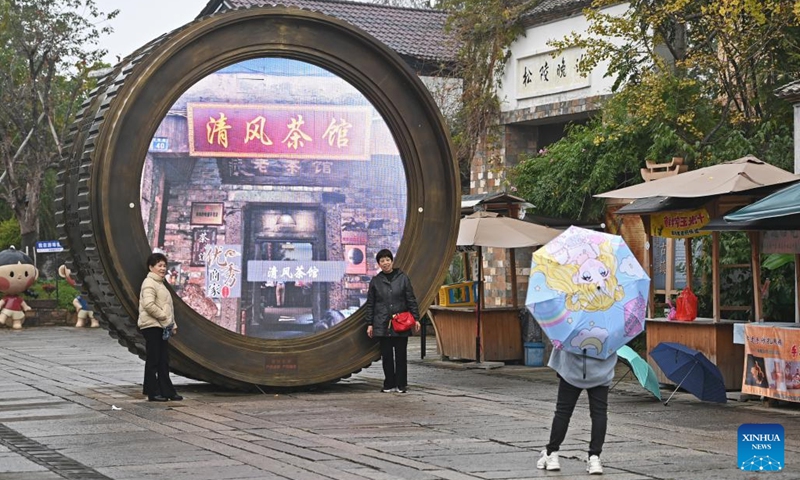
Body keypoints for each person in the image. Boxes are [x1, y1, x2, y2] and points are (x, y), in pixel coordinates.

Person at [537, 348, 616, 475]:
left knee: (563, 412)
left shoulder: (571, 327)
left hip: (571, 369)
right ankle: (595, 457)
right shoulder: (611, 328)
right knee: (599, 413)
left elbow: (559, 340)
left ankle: (552, 454)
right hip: (601, 370)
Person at [365, 249, 420, 393]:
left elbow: (411, 299)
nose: (385, 263)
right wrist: (370, 324)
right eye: (382, 261)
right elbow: (371, 304)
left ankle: (401, 384)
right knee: (387, 356)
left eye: (387, 260)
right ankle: (389, 383)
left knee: (401, 355)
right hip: (382, 323)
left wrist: (416, 318)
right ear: (379, 264)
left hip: (400, 322)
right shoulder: (376, 281)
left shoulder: (403, 278)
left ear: (392, 261)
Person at [138, 252, 182, 402]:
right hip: (152, 326)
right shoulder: (149, 283)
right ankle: (152, 392)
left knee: (163, 360)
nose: (163, 268)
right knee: (154, 360)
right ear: (151, 267)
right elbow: (148, 305)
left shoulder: (160, 284)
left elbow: (167, 307)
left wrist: (172, 325)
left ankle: (167, 391)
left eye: (164, 265)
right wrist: (163, 317)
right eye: (159, 265)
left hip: (161, 326)